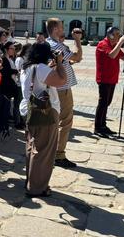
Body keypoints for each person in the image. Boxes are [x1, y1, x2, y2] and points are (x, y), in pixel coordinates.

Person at [19, 42, 67, 197]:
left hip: (30, 111)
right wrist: (59, 63)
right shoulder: (41, 68)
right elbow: (62, 80)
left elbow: (43, 81)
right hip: (45, 112)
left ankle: (30, 181)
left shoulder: (26, 68)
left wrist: (52, 66)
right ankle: (37, 187)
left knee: (32, 147)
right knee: (44, 150)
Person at [45, 18, 82, 169]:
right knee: (65, 122)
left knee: (52, 122)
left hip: (52, 87)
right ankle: (59, 155)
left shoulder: (47, 44)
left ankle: (49, 151)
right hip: (62, 89)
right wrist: (78, 40)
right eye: (61, 26)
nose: (64, 28)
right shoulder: (57, 46)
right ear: (55, 29)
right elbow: (77, 57)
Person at [94, 27, 124, 137]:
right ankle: (98, 127)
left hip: (112, 78)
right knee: (103, 102)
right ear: (110, 35)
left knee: (107, 103)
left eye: (119, 34)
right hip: (104, 78)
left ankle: (103, 125)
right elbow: (112, 55)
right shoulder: (102, 44)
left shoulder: (114, 45)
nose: (119, 36)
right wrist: (120, 42)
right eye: (117, 34)